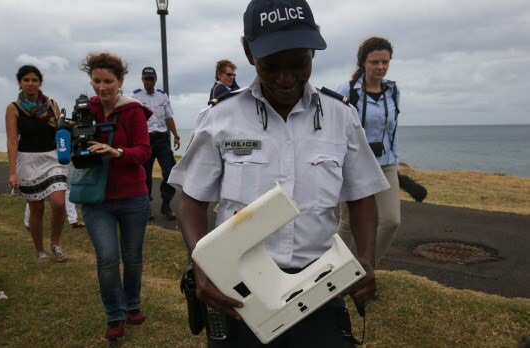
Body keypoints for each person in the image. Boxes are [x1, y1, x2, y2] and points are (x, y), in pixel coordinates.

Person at [168, 1, 389, 346]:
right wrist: (203, 266)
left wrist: (365, 261)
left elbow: (361, 196)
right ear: (249, 53)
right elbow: (191, 201)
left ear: (313, 53)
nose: (286, 78)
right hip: (239, 292)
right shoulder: (220, 118)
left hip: (320, 285)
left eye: (299, 63)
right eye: (271, 66)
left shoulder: (340, 117)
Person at [78, 52, 152, 341]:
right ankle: (115, 315)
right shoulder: (85, 110)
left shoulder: (133, 110)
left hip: (134, 196)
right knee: (107, 257)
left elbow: (145, 151)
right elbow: (73, 153)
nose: (102, 87)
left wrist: (117, 152)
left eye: (108, 81)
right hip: (96, 198)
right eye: (96, 80)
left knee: (132, 257)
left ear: (121, 81)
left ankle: (132, 304)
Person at [336, 37, 402, 266]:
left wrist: (396, 161)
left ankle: (364, 270)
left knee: (391, 221)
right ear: (363, 63)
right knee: (347, 222)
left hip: (386, 163)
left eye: (385, 61)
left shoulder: (393, 91)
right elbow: (336, 128)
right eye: (375, 62)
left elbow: (392, 130)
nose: (380, 67)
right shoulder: (348, 91)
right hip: (354, 165)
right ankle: (335, 273)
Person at [5, 65, 68, 262]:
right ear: (20, 83)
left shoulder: (51, 104)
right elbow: (13, 141)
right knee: (37, 209)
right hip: (28, 161)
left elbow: (60, 131)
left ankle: (55, 244)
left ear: (40, 82)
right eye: (26, 80)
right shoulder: (13, 108)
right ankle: (40, 251)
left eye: (34, 80)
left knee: (58, 204)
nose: (30, 84)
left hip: (53, 158)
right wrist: (13, 172)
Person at [131, 67, 180, 221]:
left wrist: (176, 136)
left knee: (170, 172)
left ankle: (166, 204)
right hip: (144, 140)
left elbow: (168, 117)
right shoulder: (135, 96)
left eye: (151, 79)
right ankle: (147, 207)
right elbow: (131, 120)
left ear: (155, 80)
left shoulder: (162, 96)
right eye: (146, 79)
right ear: (142, 79)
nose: (148, 81)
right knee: (145, 176)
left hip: (162, 140)